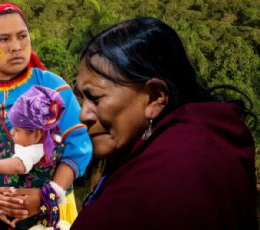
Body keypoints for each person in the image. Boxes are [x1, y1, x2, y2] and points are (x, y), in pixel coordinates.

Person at [71, 16, 258, 229]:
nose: (83, 114)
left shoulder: (160, 182)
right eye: (81, 98)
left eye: (95, 98)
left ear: (155, 97)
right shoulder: (214, 135)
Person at [0, 2, 92, 230]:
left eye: (22, 36)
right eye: (4, 39)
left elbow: (79, 144)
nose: (16, 46)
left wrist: (48, 195)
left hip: (50, 212)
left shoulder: (52, 87)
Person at [0, 85, 65, 176]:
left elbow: (18, 166)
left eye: (17, 130)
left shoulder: (32, 150)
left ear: (36, 135)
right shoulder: (54, 138)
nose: (12, 132)